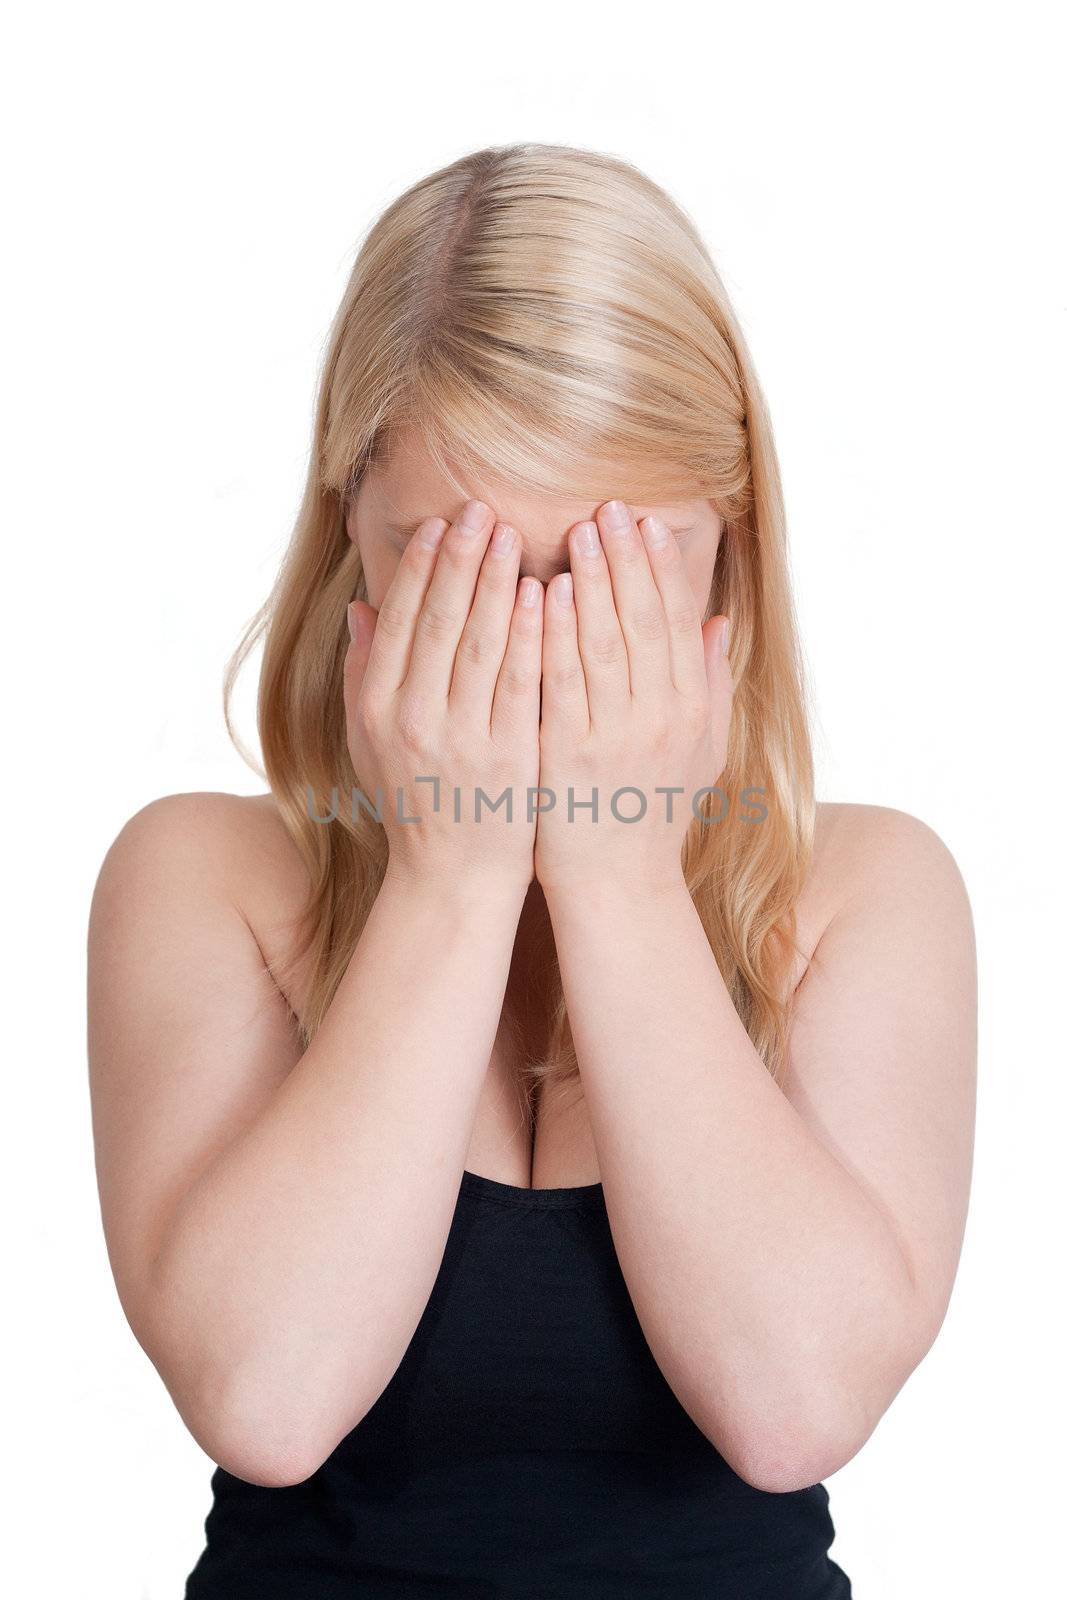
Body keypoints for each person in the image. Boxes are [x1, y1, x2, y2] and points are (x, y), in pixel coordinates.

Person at [86, 142, 977, 1598]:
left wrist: (620, 880)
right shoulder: (201, 878)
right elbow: (265, 1401)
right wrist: (453, 877)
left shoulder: (865, 896)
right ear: (353, 554)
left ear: (728, 573)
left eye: (611, 577)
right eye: (464, 572)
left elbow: (794, 1411)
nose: (539, 647)